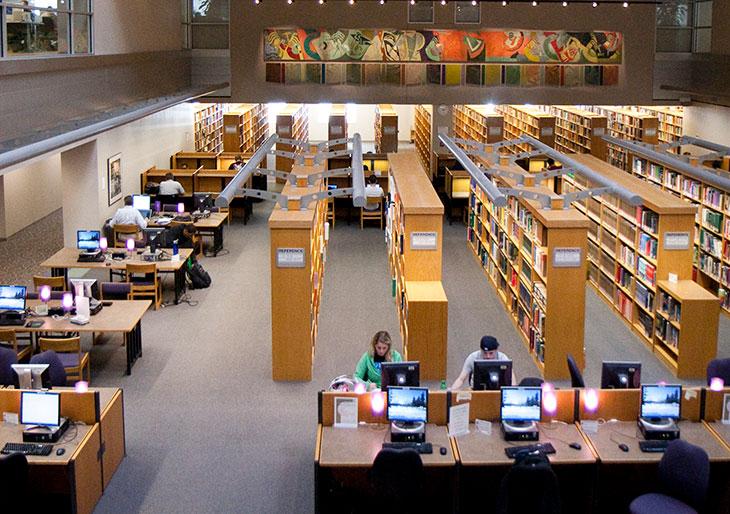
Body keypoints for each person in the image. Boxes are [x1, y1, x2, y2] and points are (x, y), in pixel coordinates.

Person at [450, 335, 515, 389]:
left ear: (496, 350)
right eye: (485, 353)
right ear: (480, 350)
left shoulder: (503, 358)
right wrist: (451, 392)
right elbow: (461, 379)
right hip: (476, 391)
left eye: (491, 353)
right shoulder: (473, 357)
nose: (488, 356)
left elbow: (512, 381)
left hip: (498, 390)